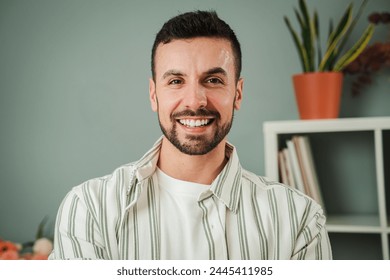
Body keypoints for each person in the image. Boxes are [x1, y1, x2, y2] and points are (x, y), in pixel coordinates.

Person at [49, 10, 332, 260]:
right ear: (153, 94)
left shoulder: (298, 219)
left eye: (213, 80)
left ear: (238, 93)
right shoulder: (89, 209)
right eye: (175, 81)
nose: (194, 101)